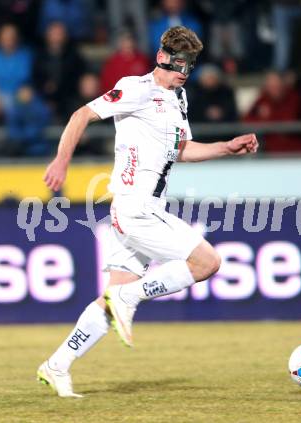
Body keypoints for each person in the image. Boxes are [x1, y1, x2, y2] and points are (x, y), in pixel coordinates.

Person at [37, 25, 257, 398]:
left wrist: (225, 147)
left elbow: (182, 149)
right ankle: (130, 298)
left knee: (109, 301)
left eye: (189, 68)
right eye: (177, 66)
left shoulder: (179, 99)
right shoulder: (136, 89)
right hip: (135, 206)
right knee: (207, 262)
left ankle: (56, 365)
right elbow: (80, 116)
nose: (182, 74)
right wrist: (61, 161)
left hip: (146, 209)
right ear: (161, 57)